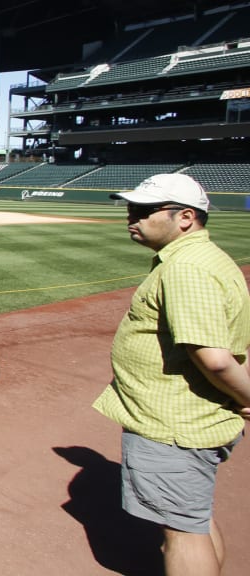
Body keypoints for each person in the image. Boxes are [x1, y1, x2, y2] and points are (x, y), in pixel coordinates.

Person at [93, 173, 250, 576]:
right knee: (194, 519)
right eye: (131, 209)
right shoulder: (204, 258)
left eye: (145, 211)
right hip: (189, 416)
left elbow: (214, 358)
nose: (133, 217)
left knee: (181, 532)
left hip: (173, 423)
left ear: (185, 218)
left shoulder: (187, 269)